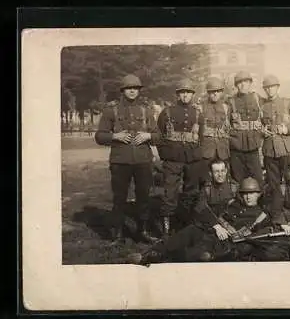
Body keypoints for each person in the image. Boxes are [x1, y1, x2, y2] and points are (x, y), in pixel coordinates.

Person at [128, 177, 271, 264]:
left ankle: (171, 257)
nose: (248, 197)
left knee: (199, 254)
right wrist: (216, 225)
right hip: (211, 232)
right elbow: (205, 212)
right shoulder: (231, 203)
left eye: (252, 193)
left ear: (258, 194)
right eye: (245, 193)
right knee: (190, 231)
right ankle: (149, 254)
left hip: (225, 245)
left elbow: (256, 241)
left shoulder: (261, 216)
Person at [95, 74, 160, 244]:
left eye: (136, 88)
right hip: (120, 161)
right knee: (119, 198)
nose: (132, 91)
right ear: (123, 90)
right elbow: (100, 136)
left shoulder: (147, 110)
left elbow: (159, 136)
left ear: (139, 91)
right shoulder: (111, 110)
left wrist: (148, 135)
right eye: (129, 88)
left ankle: (142, 231)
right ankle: (118, 234)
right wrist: (115, 136)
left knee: (144, 197)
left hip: (143, 160)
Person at [156, 78, 205, 235]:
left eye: (188, 92)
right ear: (178, 94)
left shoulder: (198, 114)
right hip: (172, 158)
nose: (185, 96)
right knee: (169, 192)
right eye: (182, 92)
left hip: (192, 158)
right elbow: (159, 136)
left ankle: (187, 222)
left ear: (192, 95)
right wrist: (165, 154)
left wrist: (197, 154)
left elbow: (201, 137)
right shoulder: (167, 112)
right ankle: (167, 228)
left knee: (191, 191)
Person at [260, 74, 290, 192]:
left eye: (272, 87)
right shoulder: (262, 106)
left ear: (278, 87)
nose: (269, 90)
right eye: (266, 88)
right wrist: (262, 131)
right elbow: (259, 124)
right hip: (269, 150)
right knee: (273, 183)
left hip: (286, 149)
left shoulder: (287, 103)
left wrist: (287, 129)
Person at [227, 71, 265, 187]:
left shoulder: (258, 99)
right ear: (236, 85)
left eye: (246, 82)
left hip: (254, 148)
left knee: (258, 180)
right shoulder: (230, 102)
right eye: (239, 83)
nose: (243, 85)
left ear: (250, 83)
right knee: (238, 181)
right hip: (236, 149)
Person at [199, 77, 232, 185]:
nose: (215, 94)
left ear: (222, 92)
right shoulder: (201, 108)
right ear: (208, 93)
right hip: (206, 151)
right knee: (206, 181)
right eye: (212, 91)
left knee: (224, 180)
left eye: (218, 91)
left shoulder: (227, 108)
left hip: (223, 150)